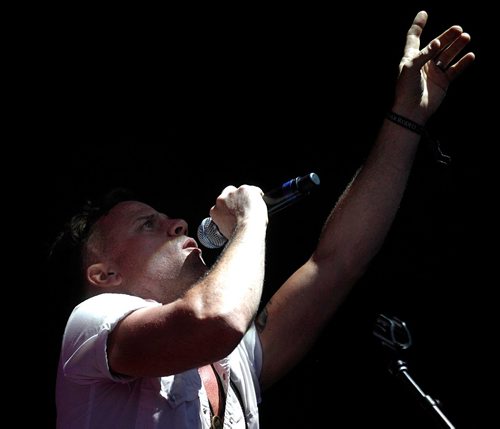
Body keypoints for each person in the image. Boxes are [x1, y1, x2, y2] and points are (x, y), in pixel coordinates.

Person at [53, 10, 474, 429]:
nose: (178, 224)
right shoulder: (93, 324)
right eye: (147, 224)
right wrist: (253, 218)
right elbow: (215, 319)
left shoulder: (232, 359)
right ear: (104, 274)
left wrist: (407, 116)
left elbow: (335, 264)